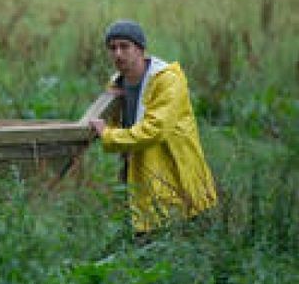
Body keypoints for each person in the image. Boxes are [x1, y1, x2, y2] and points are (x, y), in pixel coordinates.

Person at [87, 20, 217, 234]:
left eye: (124, 46)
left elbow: (155, 130)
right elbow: (122, 123)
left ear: (140, 49)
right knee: (147, 232)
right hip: (140, 169)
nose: (118, 54)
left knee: (181, 230)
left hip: (173, 167)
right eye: (112, 48)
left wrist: (108, 135)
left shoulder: (167, 81)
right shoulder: (117, 84)